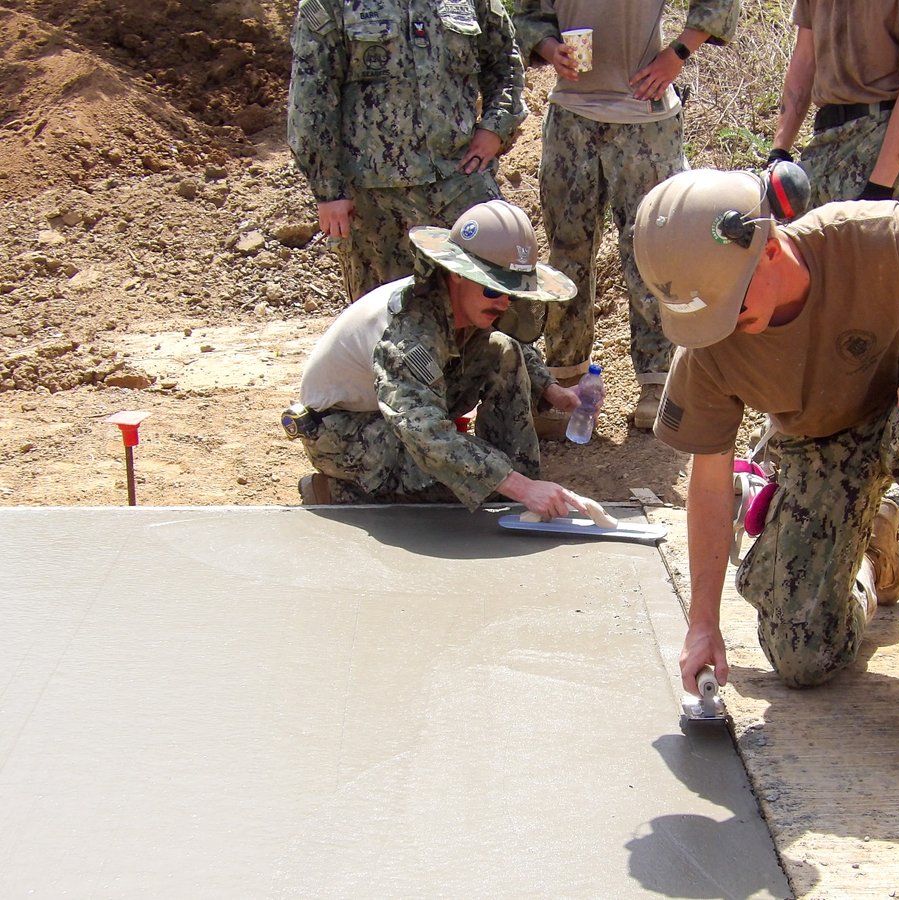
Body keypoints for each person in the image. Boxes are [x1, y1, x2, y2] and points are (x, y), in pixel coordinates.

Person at [633, 169, 899, 733]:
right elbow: (708, 483)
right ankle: (876, 559)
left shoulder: (869, 239)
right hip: (819, 448)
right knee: (802, 658)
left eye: (730, 305)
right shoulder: (709, 345)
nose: (721, 327)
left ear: (771, 249)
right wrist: (702, 622)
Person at [512, 0, 740, 436]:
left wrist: (679, 53)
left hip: (644, 118)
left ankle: (659, 383)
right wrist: (546, 45)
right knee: (566, 253)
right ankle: (565, 379)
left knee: (652, 253)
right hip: (570, 119)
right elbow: (526, 12)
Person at [291, 199, 588, 519]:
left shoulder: (463, 303)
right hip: (342, 429)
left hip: (390, 411)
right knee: (460, 482)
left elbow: (507, 342)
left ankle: (517, 484)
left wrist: (553, 391)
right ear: (458, 273)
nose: (503, 303)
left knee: (504, 351)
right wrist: (513, 485)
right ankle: (337, 491)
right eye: (493, 290)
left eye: (511, 292)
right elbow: (426, 434)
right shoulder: (408, 334)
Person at [287, 0, 528, 305]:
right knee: (385, 321)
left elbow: (505, 61)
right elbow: (311, 96)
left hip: (461, 183)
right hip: (375, 203)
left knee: (496, 305)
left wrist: (495, 127)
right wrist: (328, 189)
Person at [768, 0, 899, 208]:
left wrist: (879, 188)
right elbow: (805, 58)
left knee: (871, 239)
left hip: (883, 141)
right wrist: (778, 154)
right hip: (826, 141)